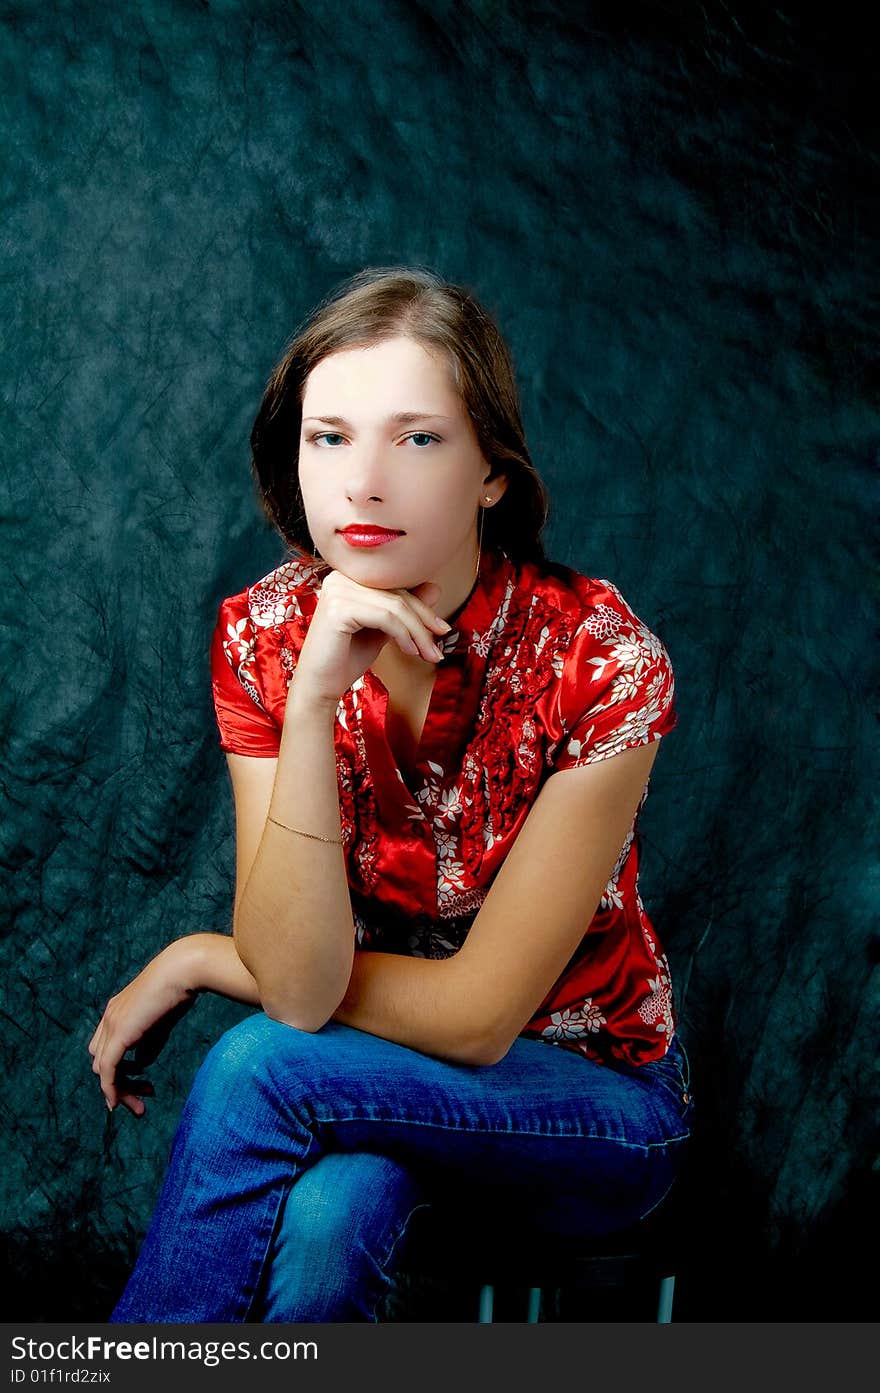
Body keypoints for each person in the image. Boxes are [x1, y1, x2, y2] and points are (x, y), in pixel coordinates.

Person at [90, 265, 695, 1323]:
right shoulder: (267, 639)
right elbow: (298, 979)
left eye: (416, 438)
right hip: (376, 1085)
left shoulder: (598, 659)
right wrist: (317, 697)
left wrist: (205, 958)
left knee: (260, 1065)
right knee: (328, 1217)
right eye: (329, 437)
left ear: (491, 473)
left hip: (594, 1104)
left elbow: (470, 1018)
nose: (363, 482)